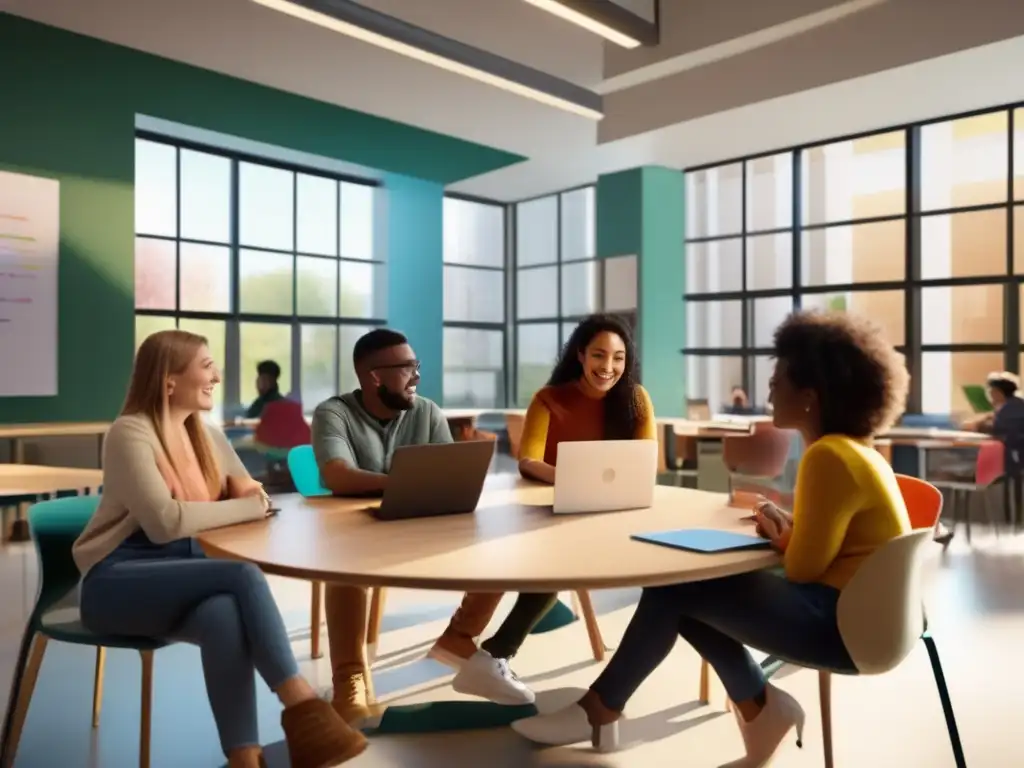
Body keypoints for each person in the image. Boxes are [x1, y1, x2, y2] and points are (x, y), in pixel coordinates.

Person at [512, 310, 912, 767]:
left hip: (840, 627)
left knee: (674, 586)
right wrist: (792, 533)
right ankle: (757, 709)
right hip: (874, 622)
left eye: (777, 379)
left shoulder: (827, 456)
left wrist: (786, 540)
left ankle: (604, 708)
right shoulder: (859, 450)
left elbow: (803, 569)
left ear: (809, 397)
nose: (768, 390)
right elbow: (833, 549)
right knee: (685, 587)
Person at [72, 330, 366, 768]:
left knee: (223, 615)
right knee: (242, 574)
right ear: (169, 381)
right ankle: (304, 708)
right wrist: (243, 508)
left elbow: (254, 497)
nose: (217, 376)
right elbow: (165, 522)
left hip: (186, 572)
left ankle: (244, 759)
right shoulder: (129, 434)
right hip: (116, 581)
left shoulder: (206, 435)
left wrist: (246, 499)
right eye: (206, 366)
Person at [311, 328, 535, 722]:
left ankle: (459, 636)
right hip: (360, 532)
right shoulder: (334, 413)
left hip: (424, 522)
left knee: (504, 545)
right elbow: (337, 474)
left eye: (417, 366)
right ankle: (349, 677)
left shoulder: (427, 411)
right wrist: (402, 480)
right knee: (342, 565)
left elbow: (447, 474)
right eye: (407, 368)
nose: (417, 376)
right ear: (374, 376)